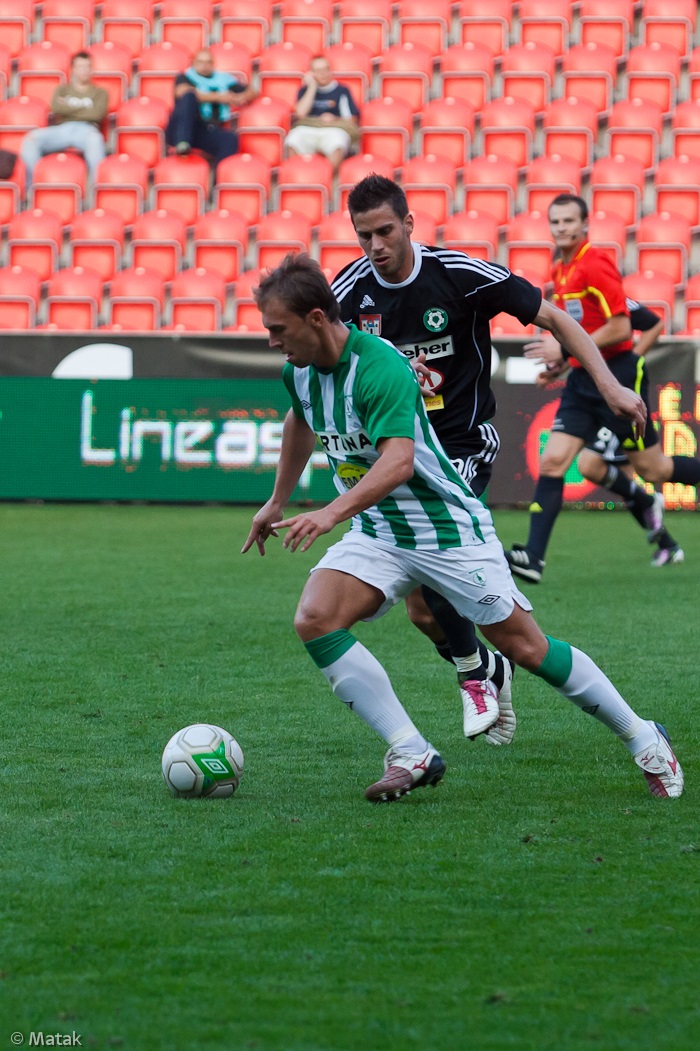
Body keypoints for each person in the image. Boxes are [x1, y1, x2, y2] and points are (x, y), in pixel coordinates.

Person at [242, 254, 683, 803]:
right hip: (380, 530)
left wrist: (330, 513)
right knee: (315, 618)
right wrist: (276, 500)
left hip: (446, 529)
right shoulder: (300, 372)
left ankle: (644, 736)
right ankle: (410, 750)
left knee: (527, 648)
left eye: (277, 329)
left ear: (314, 318)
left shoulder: (379, 366)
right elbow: (300, 419)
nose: (271, 341)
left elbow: (398, 462)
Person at [505, 194, 700, 584]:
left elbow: (623, 327)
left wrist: (565, 350)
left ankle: (650, 513)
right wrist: (561, 364)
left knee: (654, 468)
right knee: (554, 461)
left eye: (568, 221)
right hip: (583, 381)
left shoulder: (595, 263)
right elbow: (581, 332)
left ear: (584, 225)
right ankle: (533, 558)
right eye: (555, 221)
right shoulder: (562, 270)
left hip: (618, 380)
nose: (561, 228)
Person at [527, 297, 684, 567]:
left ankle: (662, 534)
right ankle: (664, 538)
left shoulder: (609, 298)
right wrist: (563, 367)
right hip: (592, 391)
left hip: (617, 393)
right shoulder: (575, 300)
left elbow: (653, 324)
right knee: (594, 466)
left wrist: (631, 361)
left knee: (646, 469)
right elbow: (584, 346)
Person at [20, 51, 107, 188]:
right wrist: (85, 109)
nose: (84, 70)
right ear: (73, 69)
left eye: (88, 66)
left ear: (92, 69)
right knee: (31, 138)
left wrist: (68, 107)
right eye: (80, 66)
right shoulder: (62, 90)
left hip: (87, 130)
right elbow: (56, 108)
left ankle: (97, 190)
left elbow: (96, 114)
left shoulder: (100, 93)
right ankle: (32, 189)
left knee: (96, 140)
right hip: (62, 128)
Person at [166, 48, 257, 165]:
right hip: (181, 129)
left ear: (213, 64)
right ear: (193, 63)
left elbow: (252, 91)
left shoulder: (223, 80)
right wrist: (219, 97)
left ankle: (219, 174)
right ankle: (182, 143)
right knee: (189, 97)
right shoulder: (185, 77)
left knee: (230, 140)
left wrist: (239, 97)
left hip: (205, 129)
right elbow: (182, 91)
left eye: (208, 62)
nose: (205, 65)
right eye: (200, 62)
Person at [284, 55, 360, 173]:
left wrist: (335, 119)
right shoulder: (304, 90)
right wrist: (312, 87)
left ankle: (325, 176)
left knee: (338, 142)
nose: (323, 74)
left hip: (333, 128)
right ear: (311, 73)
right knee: (293, 140)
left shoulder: (342, 90)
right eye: (318, 70)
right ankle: (300, 175)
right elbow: (300, 114)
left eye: (326, 69)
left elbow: (352, 119)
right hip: (308, 128)